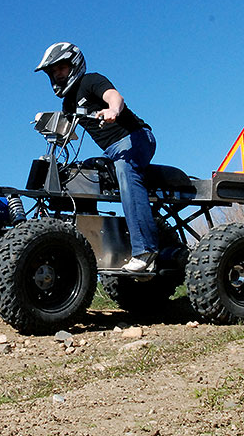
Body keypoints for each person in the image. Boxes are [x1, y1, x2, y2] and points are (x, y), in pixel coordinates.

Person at [35, 42, 159, 273]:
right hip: (111, 151)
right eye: (53, 71)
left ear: (73, 65)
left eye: (60, 68)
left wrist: (113, 110)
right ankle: (86, 248)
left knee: (126, 170)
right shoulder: (68, 102)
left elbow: (114, 96)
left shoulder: (90, 81)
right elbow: (67, 135)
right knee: (78, 173)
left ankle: (145, 250)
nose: (57, 74)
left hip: (136, 138)